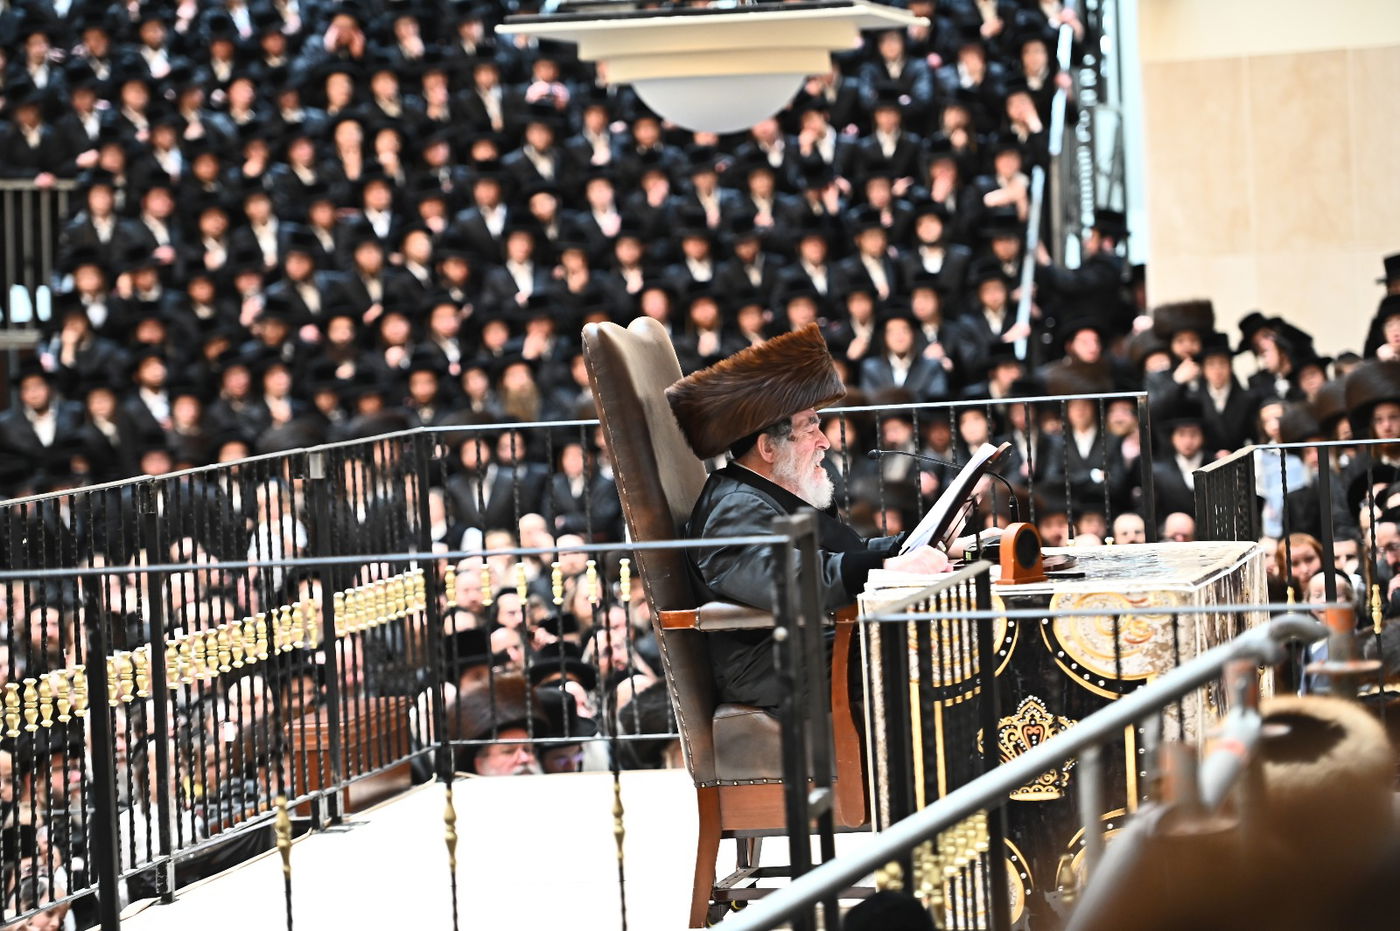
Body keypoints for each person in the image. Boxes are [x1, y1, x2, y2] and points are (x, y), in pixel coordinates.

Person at [667, 324, 951, 709]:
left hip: (812, 640)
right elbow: (796, 581)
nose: (825, 442)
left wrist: (924, 544)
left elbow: (839, 557)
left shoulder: (765, 492)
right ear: (768, 447)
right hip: (771, 665)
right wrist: (888, 565)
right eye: (811, 427)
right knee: (937, 650)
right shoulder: (734, 506)